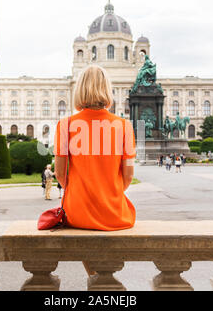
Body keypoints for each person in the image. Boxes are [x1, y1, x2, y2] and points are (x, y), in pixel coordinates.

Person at [54, 65, 136, 275]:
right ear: (108, 90)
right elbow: (128, 176)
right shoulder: (124, 126)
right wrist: (107, 193)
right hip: (114, 212)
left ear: (79, 90)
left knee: (87, 239)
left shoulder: (66, 124)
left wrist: (81, 194)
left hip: (77, 211)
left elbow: (60, 174)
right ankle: (102, 280)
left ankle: (95, 278)